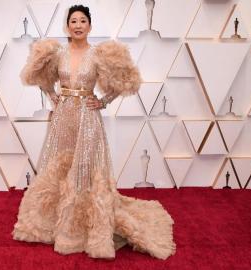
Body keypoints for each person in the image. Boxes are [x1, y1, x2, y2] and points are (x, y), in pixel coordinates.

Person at [12, 5, 175, 259]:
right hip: (64, 117)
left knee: (84, 169)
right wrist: (54, 95)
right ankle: (57, 220)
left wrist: (104, 101)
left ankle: (82, 224)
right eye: (73, 21)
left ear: (90, 25)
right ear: (67, 26)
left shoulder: (99, 54)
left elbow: (127, 81)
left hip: (88, 119)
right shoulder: (58, 54)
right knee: (61, 165)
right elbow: (40, 77)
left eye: (82, 21)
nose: (78, 25)